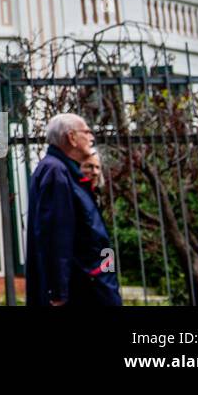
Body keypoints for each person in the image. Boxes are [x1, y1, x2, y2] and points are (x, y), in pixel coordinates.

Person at [25, 113, 122, 306]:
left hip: (94, 282)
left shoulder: (67, 173)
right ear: (71, 137)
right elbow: (55, 235)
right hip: (82, 289)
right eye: (86, 132)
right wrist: (57, 292)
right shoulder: (56, 172)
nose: (91, 137)